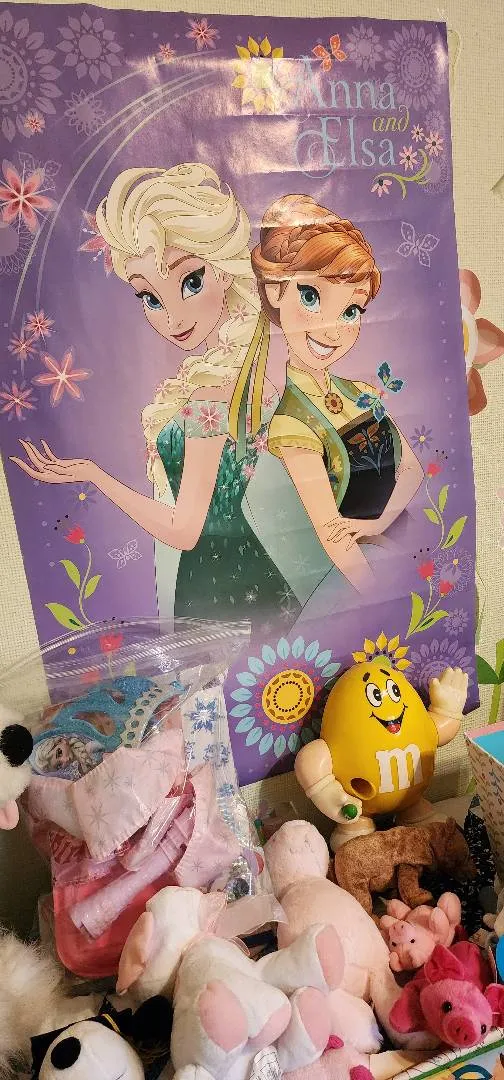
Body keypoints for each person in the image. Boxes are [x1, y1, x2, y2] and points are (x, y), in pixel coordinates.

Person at [12, 164, 300, 632]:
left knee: (231, 676)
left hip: (217, 586)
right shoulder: (250, 380)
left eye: (190, 282)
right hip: (246, 576)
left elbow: (184, 531)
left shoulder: (210, 397)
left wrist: (94, 475)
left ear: (224, 273)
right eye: (150, 297)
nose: (173, 317)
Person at [230, 193, 423, 611]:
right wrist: (382, 599)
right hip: (360, 580)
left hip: (402, 549)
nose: (333, 330)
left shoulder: (360, 392)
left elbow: (413, 469)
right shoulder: (292, 422)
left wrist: (377, 523)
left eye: (351, 310)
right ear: (276, 292)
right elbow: (333, 535)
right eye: (311, 297)